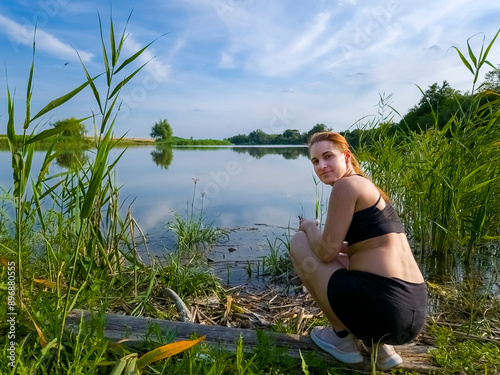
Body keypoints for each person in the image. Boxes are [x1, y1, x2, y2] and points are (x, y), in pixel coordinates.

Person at [290, 132, 427, 371]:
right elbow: (357, 249)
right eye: (315, 161)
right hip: (412, 312)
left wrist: (310, 227)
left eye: (328, 156)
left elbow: (324, 254)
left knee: (299, 241)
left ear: (347, 156)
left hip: (385, 307)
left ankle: (341, 338)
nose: (321, 166)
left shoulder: (346, 185)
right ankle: (379, 347)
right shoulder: (370, 190)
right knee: (345, 257)